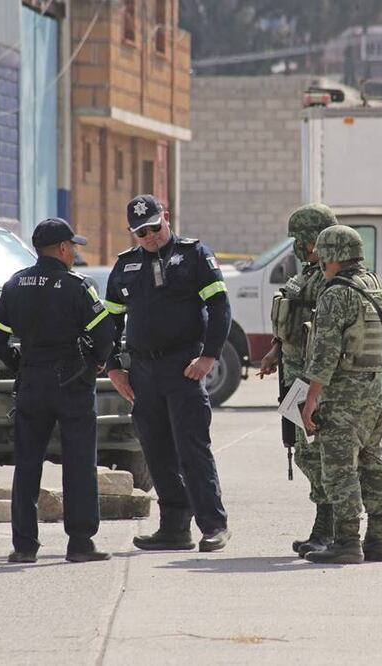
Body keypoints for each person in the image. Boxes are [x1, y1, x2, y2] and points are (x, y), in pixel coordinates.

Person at [103, 194, 231, 552]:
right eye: (141, 232)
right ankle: (174, 528)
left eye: (154, 228)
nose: (150, 237)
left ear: (167, 218)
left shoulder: (194, 255)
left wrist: (209, 356)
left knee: (192, 449)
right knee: (156, 452)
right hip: (143, 371)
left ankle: (213, 525)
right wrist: (113, 367)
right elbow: (109, 321)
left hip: (183, 367)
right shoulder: (125, 265)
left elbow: (220, 307)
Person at [0, 218, 114, 564]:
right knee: (79, 462)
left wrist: (18, 363)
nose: (74, 253)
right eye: (72, 247)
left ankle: (24, 545)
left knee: (27, 464)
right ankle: (80, 543)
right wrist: (96, 361)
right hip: (72, 384)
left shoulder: (15, 284)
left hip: (31, 382)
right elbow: (105, 334)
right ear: (61, 248)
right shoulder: (77, 286)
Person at [300, 225, 382, 564]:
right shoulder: (380, 289)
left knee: (340, 469)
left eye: (323, 257)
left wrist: (311, 399)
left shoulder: (335, 294)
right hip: (376, 396)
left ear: (332, 257)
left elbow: (325, 353)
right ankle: (378, 540)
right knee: (373, 465)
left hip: (342, 399)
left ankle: (347, 541)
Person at [256, 203, 336, 556]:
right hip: (294, 378)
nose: (296, 246)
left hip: (313, 380)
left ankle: (328, 529)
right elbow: (293, 320)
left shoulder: (330, 279)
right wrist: (275, 350)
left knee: (317, 454)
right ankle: (325, 527)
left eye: (300, 239)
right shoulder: (306, 275)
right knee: (305, 453)